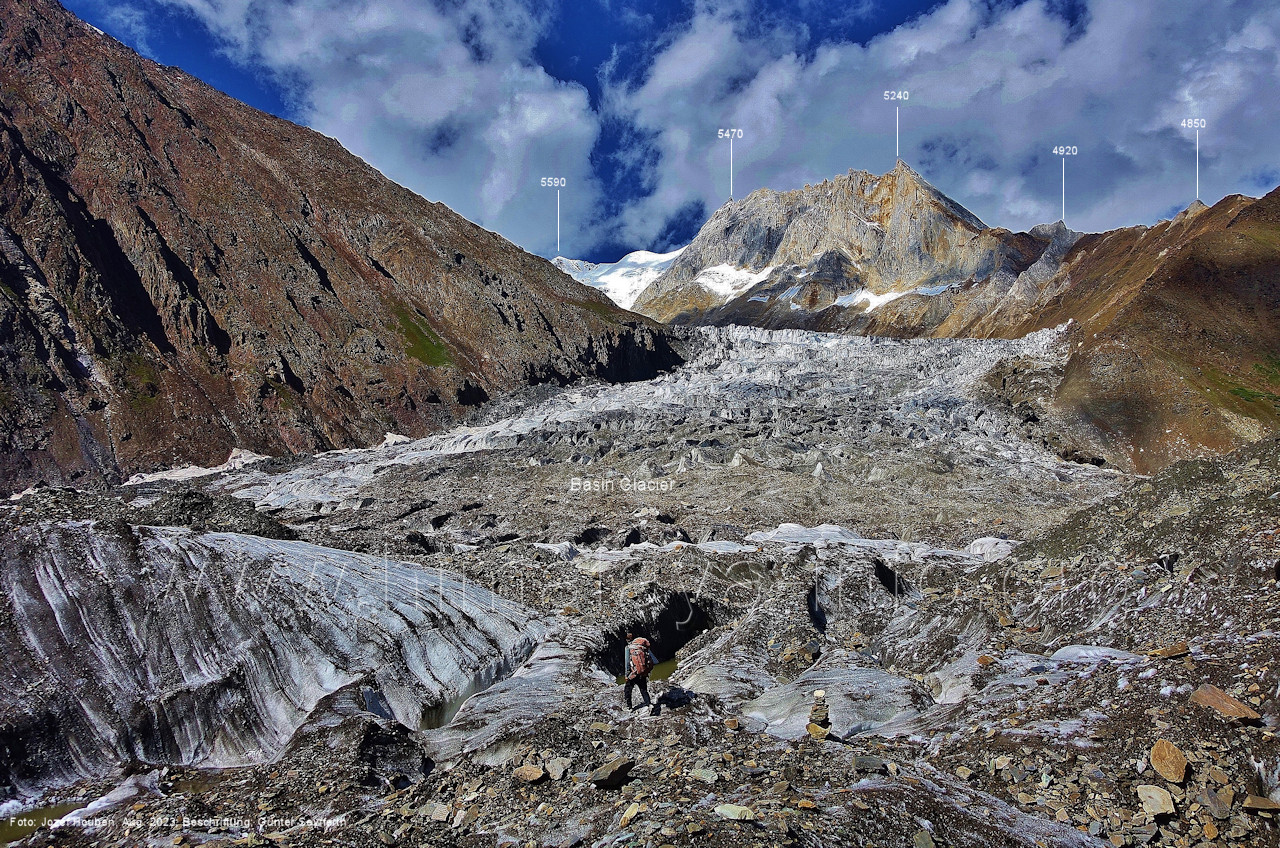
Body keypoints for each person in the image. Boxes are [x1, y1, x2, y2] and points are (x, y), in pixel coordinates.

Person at [623, 632, 657, 710]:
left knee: (628, 689)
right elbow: (652, 659)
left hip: (634, 672)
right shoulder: (641, 647)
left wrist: (626, 675)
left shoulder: (628, 648)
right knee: (643, 689)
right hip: (642, 671)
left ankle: (629, 707)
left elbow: (627, 662)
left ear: (627, 640)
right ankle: (648, 703)